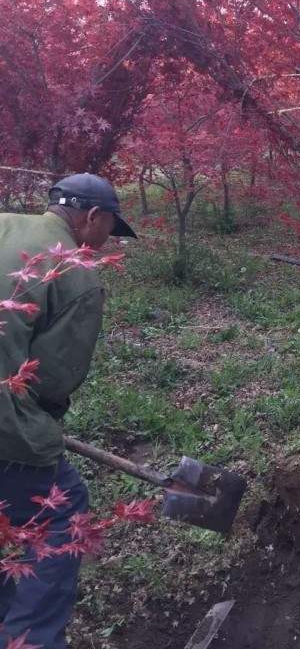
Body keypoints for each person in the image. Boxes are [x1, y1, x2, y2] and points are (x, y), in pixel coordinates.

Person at [0, 173, 137, 649]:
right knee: (63, 510)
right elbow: (53, 381)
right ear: (91, 217)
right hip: (5, 421)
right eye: (109, 229)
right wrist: (42, 424)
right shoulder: (77, 276)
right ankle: (30, 640)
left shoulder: (3, 224)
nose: (105, 242)